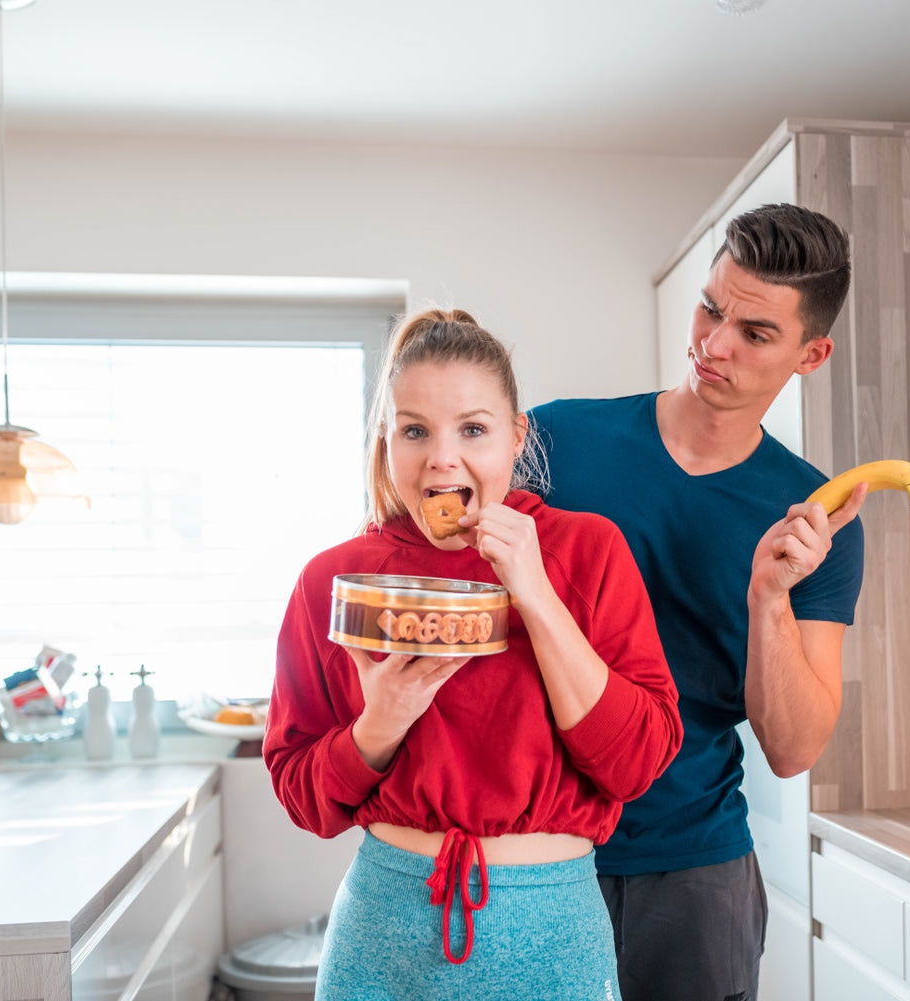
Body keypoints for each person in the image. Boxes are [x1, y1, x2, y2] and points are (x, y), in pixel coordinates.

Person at [265, 308, 683, 1001]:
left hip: (554, 936)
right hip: (383, 934)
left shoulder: (587, 551)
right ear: (386, 439)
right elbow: (304, 795)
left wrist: (535, 592)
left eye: (474, 429)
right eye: (415, 430)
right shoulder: (335, 581)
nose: (442, 458)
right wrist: (383, 721)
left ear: (516, 436)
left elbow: (636, 763)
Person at [528, 203, 867, 1001]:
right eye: (712, 308)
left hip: (694, 872)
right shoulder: (550, 445)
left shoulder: (815, 519)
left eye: (755, 333)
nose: (714, 344)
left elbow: (793, 746)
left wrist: (769, 597)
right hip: (531, 856)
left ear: (811, 354)